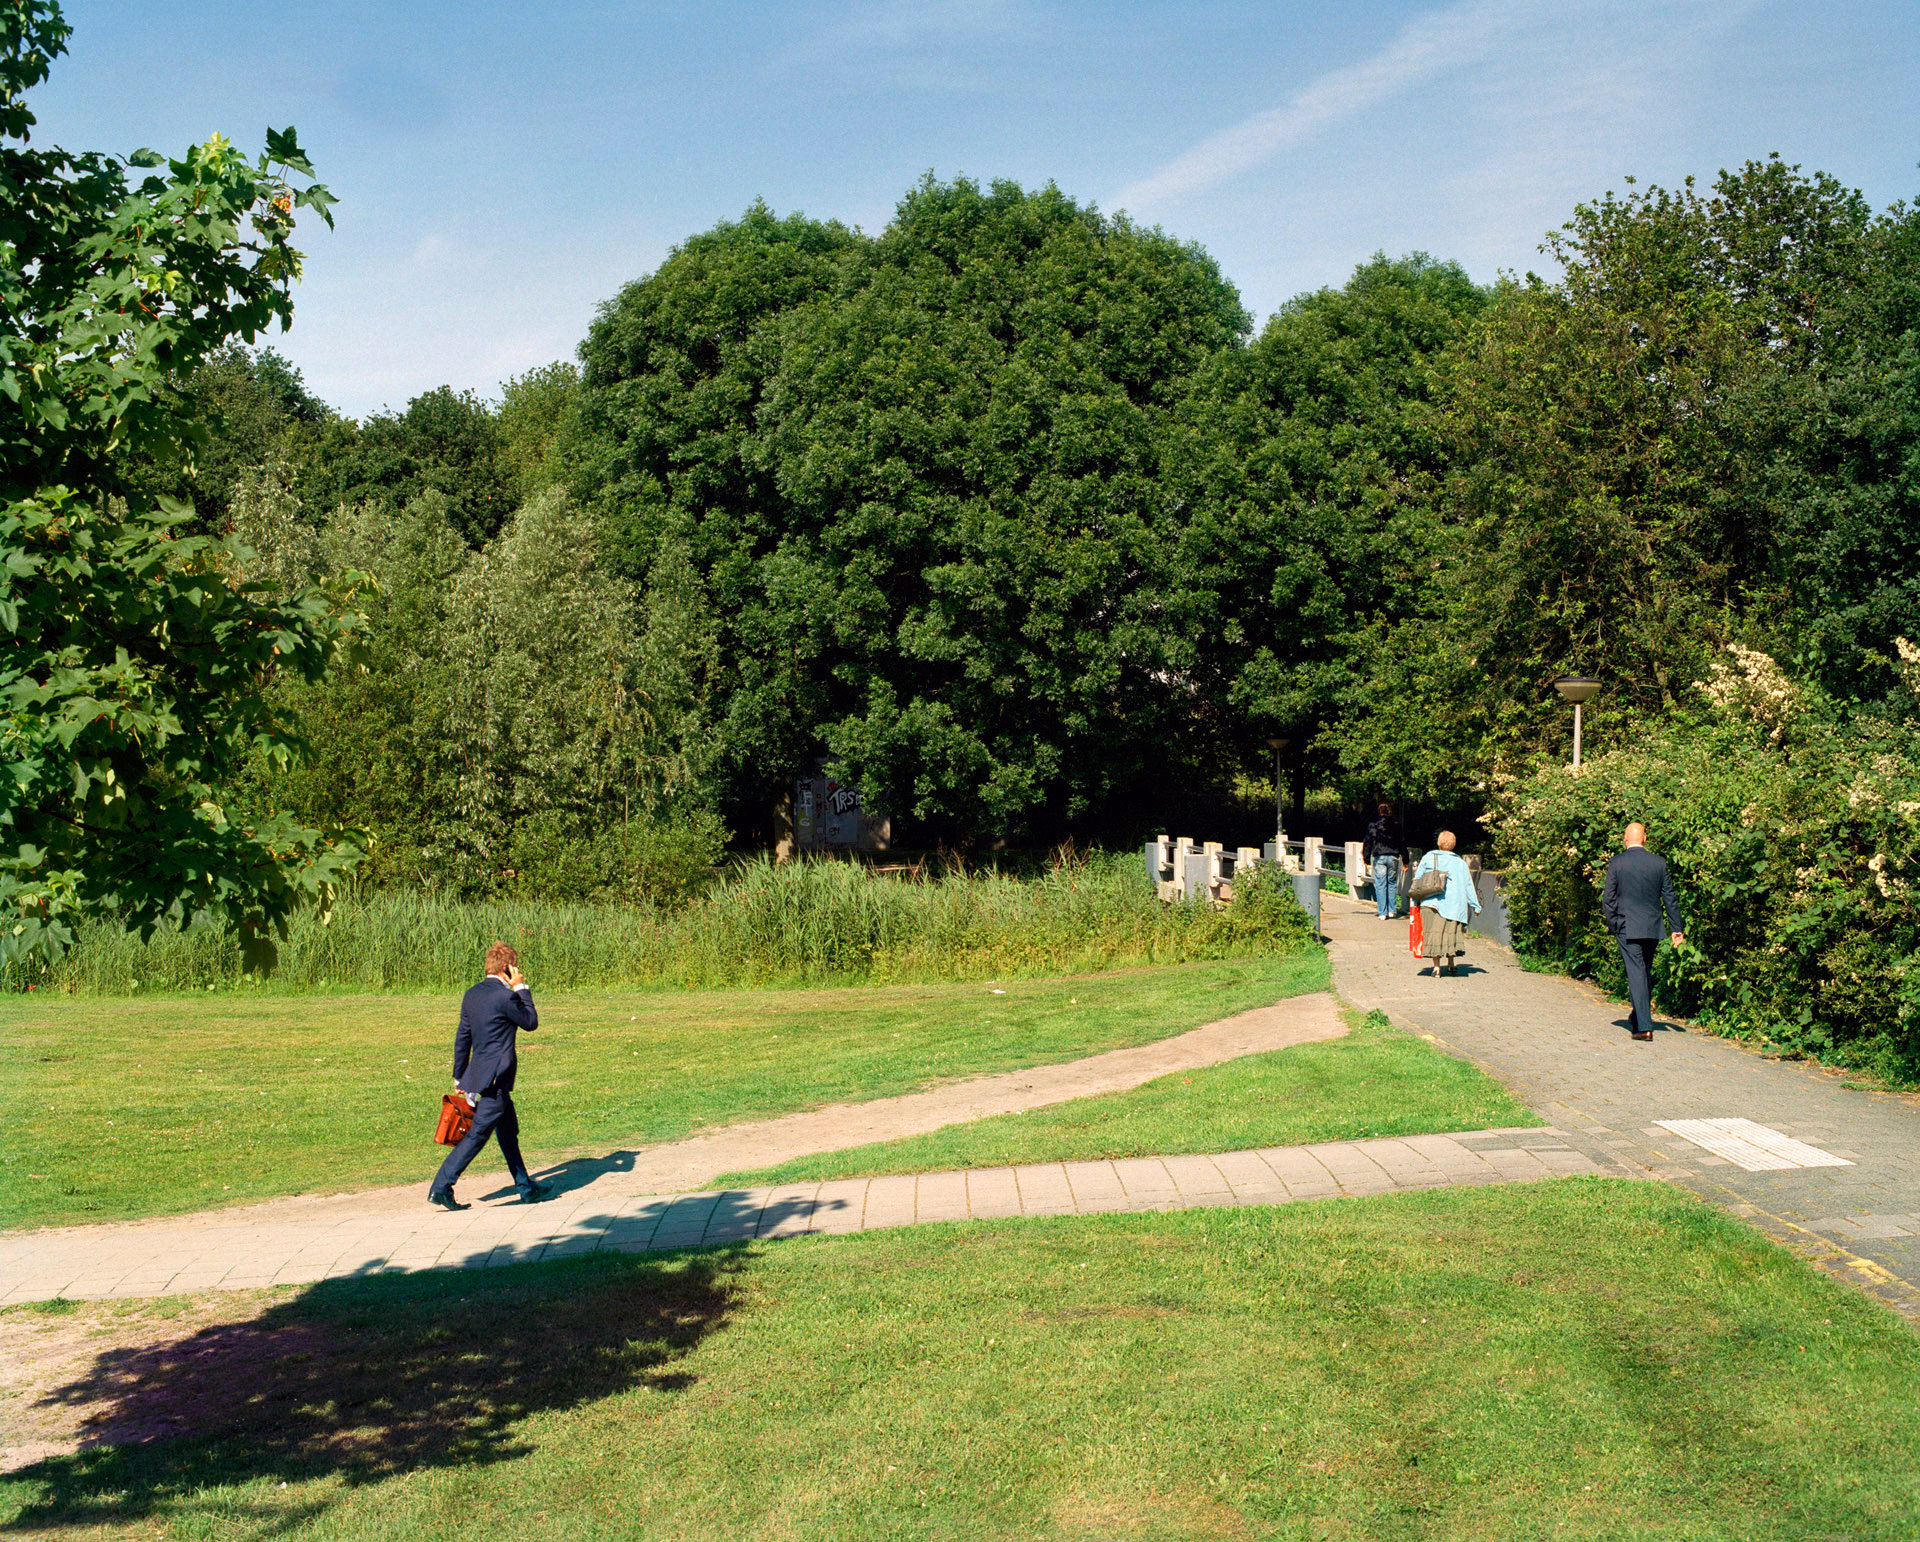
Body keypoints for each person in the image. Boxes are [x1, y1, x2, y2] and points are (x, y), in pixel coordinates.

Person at [428, 941, 551, 1209]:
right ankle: (441, 1186)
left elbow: (463, 1036)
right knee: (476, 1136)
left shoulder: (471, 994)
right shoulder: (505, 996)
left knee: (508, 1133)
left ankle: (525, 1186)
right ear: (508, 968)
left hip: (483, 1077)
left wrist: (460, 1075)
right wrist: (521, 988)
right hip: (496, 1079)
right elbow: (531, 1022)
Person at [1602, 823, 1686, 1042]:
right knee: (1644, 971)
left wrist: (1614, 924)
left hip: (1627, 926)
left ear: (1625, 839)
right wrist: (1676, 928)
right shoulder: (1658, 863)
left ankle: (1644, 1027)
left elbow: (1608, 899)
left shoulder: (1617, 862)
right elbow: (1670, 898)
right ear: (1645, 838)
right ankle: (1638, 1015)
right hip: (1652, 927)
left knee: (1637, 973)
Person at [1411, 831, 1480, 977]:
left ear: (1438, 842)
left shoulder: (1428, 858)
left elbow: (1417, 880)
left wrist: (1415, 900)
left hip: (1430, 902)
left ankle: (1436, 968)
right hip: (1454, 905)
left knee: (1433, 934)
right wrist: (1475, 905)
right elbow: (1468, 885)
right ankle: (1451, 963)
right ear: (1454, 844)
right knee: (1451, 933)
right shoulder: (1460, 863)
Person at [1363, 801, 1406, 920]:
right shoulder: (1396, 824)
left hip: (1379, 857)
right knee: (1392, 883)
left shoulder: (1373, 824)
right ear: (1389, 812)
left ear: (1379, 812)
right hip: (1393, 857)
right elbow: (1402, 842)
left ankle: (1382, 913)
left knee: (1380, 884)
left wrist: (1366, 858)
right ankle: (1392, 910)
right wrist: (1406, 860)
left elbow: (1367, 842)